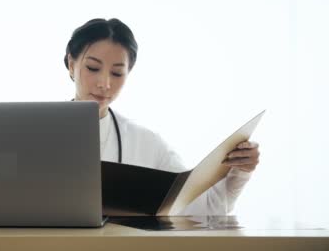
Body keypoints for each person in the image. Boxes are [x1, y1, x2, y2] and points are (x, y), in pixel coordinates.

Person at [64, 18, 260, 215]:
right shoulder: (36, 135)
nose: (105, 83)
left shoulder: (146, 143)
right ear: (72, 64)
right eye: (93, 68)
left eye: (117, 73)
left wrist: (240, 171)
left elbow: (206, 209)